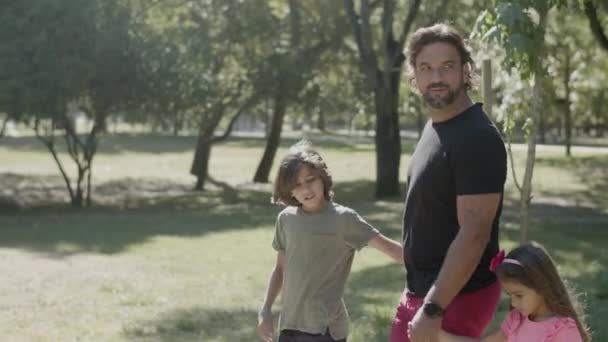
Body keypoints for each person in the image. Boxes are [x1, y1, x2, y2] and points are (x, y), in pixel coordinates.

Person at [391, 23, 508, 342]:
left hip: (454, 298)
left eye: (447, 66)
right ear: (414, 77)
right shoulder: (438, 126)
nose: (436, 77)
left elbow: (474, 233)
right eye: (425, 68)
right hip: (426, 291)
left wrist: (432, 309)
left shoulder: (477, 137)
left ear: (466, 71)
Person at [257, 140, 404, 342]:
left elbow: (390, 249)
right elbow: (280, 269)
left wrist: (437, 275)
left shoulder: (343, 219)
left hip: (324, 330)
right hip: (289, 325)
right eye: (297, 185)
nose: (306, 189)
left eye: (310, 180)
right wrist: (265, 310)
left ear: (323, 178)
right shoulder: (286, 219)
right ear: (289, 190)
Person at [435, 242, 591, 342]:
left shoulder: (561, 329)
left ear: (542, 286)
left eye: (519, 295)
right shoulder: (516, 320)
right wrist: (438, 335)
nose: (514, 303)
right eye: (510, 295)